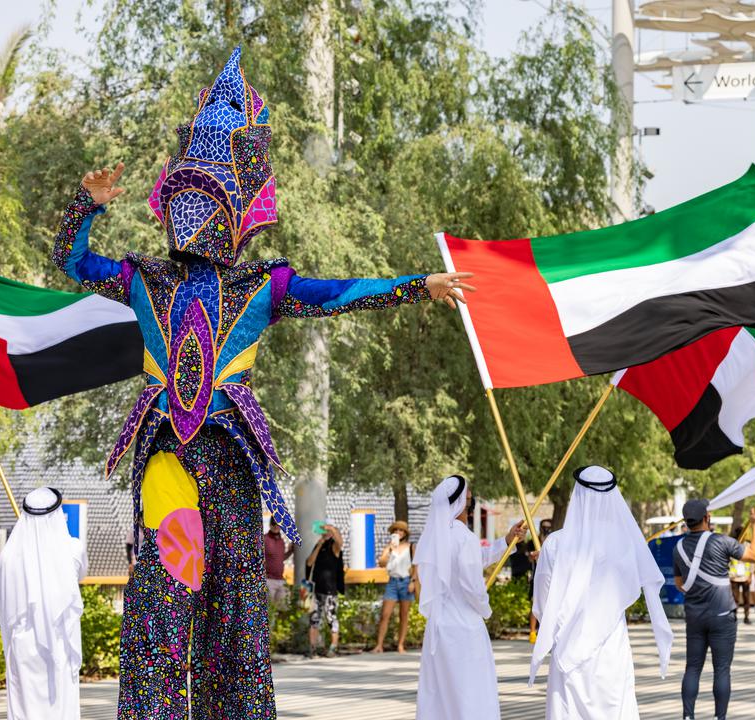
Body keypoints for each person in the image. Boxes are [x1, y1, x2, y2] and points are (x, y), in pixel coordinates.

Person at [51, 47, 475, 718]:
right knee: (164, 596)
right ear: (172, 201)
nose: (197, 213)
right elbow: (69, 259)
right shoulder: (144, 278)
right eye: (190, 196)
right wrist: (87, 204)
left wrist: (417, 285)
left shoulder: (260, 286)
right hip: (167, 454)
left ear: (241, 209)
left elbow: (339, 293)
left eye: (210, 197)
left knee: (235, 605)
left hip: (231, 457)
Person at [530, 466, 672, 719]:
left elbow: (542, 604)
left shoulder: (555, 544)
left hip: (568, 642)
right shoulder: (625, 544)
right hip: (611, 646)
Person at [414, 475, 525, 720]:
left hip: (439, 628)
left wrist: (507, 541)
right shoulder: (464, 537)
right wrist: (485, 609)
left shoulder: (435, 537)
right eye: (470, 498)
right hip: (465, 628)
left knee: (441, 695)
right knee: (470, 694)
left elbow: (478, 558)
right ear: (463, 504)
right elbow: (473, 586)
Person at [0, 487, 88, 720]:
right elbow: (81, 575)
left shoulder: (8, 554)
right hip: (60, 641)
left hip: (22, 644)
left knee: (25, 708)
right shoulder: (73, 548)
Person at [673, 498, 755, 720]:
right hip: (722, 615)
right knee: (721, 669)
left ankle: (688, 716)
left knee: (692, 667)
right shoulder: (722, 541)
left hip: (694, 616)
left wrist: (698, 591)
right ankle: (719, 717)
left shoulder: (679, 547)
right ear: (707, 518)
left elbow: (679, 583)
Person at [371, 520, 417, 653]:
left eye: (401, 530)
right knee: (385, 614)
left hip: (406, 581)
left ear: (405, 533)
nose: (398, 532)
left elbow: (416, 565)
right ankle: (379, 645)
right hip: (392, 581)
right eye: (396, 530)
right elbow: (381, 563)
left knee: (404, 614)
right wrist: (389, 550)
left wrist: (413, 581)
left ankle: (401, 644)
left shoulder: (410, 547)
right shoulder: (389, 547)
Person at [305, 523, 345, 658]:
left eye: (328, 532)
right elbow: (309, 563)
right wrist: (319, 545)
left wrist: (333, 529)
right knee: (314, 619)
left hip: (330, 591)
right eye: (324, 532)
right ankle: (312, 648)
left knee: (331, 619)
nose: (325, 534)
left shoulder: (334, 547)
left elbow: (340, 543)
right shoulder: (319, 546)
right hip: (317, 590)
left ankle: (333, 647)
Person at [527, 518, 553, 642]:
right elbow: (528, 555)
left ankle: (546, 631)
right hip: (537, 574)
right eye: (544, 526)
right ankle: (533, 632)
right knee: (535, 603)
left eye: (548, 527)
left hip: (550, 576)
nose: (546, 529)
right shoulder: (534, 539)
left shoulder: (553, 540)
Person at [264, 516, 295, 606]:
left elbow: (281, 558)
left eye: (278, 524)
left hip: (280, 579)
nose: (276, 526)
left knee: (283, 607)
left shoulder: (281, 541)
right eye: (274, 524)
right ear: (270, 525)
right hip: (268, 579)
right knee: (269, 610)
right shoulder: (265, 539)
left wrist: (290, 551)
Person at [729, 526, 753, 624]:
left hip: (745, 576)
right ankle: (734, 615)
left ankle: (746, 616)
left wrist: (750, 575)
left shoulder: (747, 545)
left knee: (745, 598)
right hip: (734, 576)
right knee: (736, 598)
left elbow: (751, 562)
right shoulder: (731, 545)